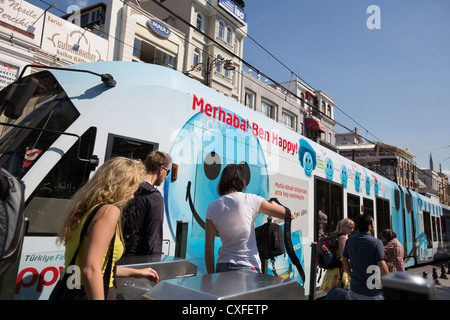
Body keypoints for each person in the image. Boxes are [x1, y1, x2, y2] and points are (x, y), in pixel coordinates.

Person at [57, 157, 159, 300]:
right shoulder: (109, 212)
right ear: (119, 185)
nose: (131, 196)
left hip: (69, 289)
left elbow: (102, 266)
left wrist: (137, 273)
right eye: (131, 189)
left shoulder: (86, 209)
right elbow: (91, 269)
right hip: (91, 293)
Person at [204, 164, 295, 274]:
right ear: (242, 181)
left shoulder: (212, 206)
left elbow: (209, 247)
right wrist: (274, 204)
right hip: (247, 266)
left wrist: (210, 276)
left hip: (223, 266)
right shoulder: (252, 200)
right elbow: (290, 215)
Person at [126, 150, 172, 255]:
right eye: (167, 172)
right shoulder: (154, 197)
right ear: (161, 169)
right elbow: (154, 236)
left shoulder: (129, 188)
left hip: (120, 255)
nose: (166, 177)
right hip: (137, 258)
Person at [342, 213, 389, 300]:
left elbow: (344, 259)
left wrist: (350, 274)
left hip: (354, 289)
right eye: (373, 223)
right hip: (373, 292)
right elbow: (382, 265)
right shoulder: (376, 243)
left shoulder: (349, 241)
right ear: (369, 227)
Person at [320, 218, 354, 293]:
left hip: (333, 269)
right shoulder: (343, 237)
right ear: (343, 226)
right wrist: (350, 269)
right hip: (340, 270)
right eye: (350, 228)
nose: (352, 230)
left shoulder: (335, 235)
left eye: (353, 228)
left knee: (334, 294)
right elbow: (344, 255)